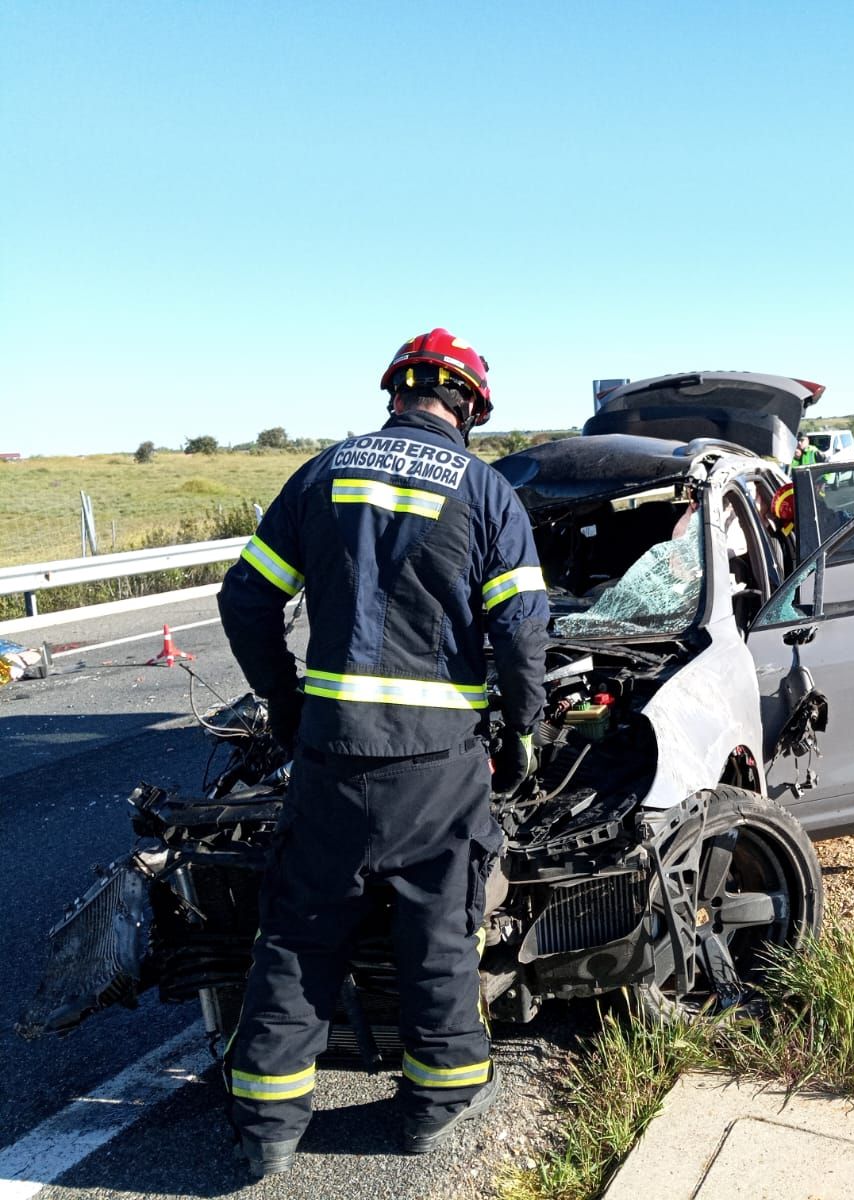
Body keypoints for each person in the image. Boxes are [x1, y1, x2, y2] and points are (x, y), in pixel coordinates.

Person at [216, 328, 549, 1177]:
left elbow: (247, 598)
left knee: (299, 932)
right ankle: (431, 1110)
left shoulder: (324, 473)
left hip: (330, 757)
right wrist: (521, 726)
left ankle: (269, 1123)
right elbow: (520, 630)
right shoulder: (485, 492)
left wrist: (286, 705)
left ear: (395, 392)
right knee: (438, 931)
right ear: (471, 407)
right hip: (437, 769)